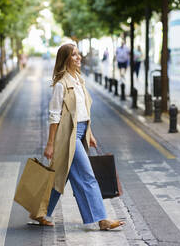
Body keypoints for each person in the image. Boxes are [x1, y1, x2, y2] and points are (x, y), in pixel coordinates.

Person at [37, 43, 125, 230]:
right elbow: (54, 116)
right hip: (68, 136)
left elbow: (84, 111)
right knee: (87, 176)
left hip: (81, 132)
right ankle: (102, 219)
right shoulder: (62, 84)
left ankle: (40, 212)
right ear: (65, 59)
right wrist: (50, 144)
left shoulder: (78, 80)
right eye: (74, 55)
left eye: (79, 54)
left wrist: (89, 133)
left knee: (61, 175)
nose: (79, 58)